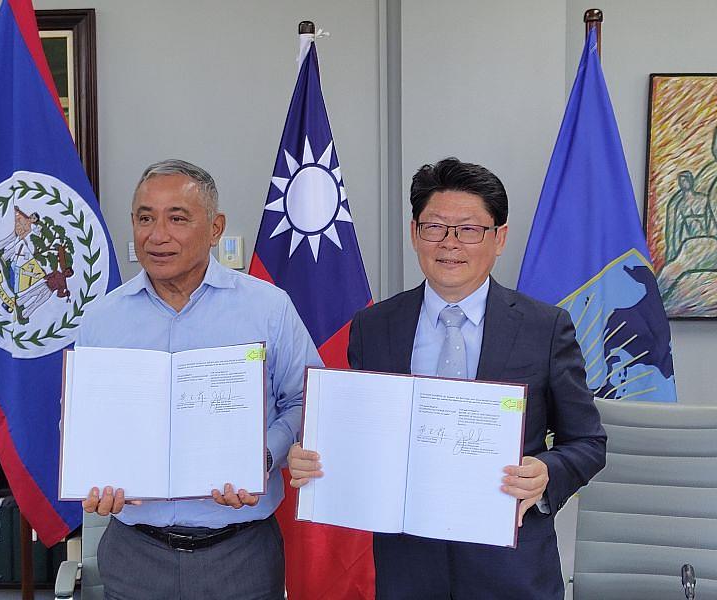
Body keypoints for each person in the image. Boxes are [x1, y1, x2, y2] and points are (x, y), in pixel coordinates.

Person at [288, 157, 607, 599]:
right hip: (407, 566)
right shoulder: (375, 326)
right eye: (435, 227)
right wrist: (315, 458)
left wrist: (546, 472)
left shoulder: (544, 327)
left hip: (511, 567)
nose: (450, 243)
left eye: (470, 229)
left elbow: (589, 443)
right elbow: (361, 436)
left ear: (499, 239)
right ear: (415, 233)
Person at [78, 159, 321, 599]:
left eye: (177, 218)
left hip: (240, 554)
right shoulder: (102, 320)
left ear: (214, 228)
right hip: (136, 554)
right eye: (145, 218)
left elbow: (307, 401)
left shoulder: (267, 308)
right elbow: (79, 423)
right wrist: (94, 474)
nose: (157, 235)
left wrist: (262, 457)